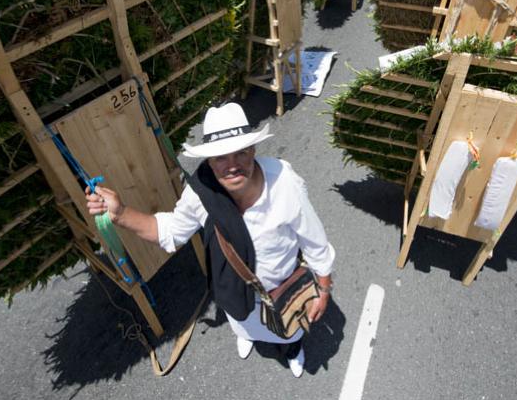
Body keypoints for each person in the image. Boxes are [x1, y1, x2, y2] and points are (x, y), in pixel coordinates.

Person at [85, 103, 335, 378]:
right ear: (208, 162)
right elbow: (169, 232)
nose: (232, 166)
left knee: (290, 331)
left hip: (283, 287)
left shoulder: (284, 182)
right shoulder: (201, 193)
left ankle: (291, 350)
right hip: (234, 290)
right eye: (220, 158)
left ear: (253, 150)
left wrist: (323, 290)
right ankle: (248, 335)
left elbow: (314, 241)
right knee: (243, 323)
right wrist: (120, 213)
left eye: (241, 153)